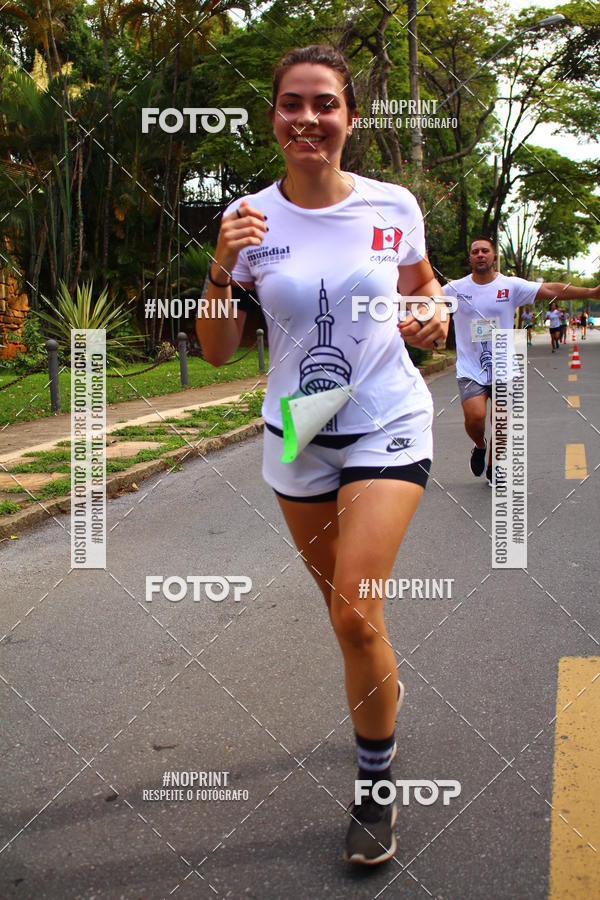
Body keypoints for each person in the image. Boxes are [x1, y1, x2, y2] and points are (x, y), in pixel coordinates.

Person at [196, 44, 448, 865]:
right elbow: (219, 351)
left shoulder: (392, 205)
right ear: (274, 117)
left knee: (354, 609)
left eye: (325, 104)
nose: (308, 118)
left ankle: (376, 788)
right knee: (350, 624)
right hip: (297, 433)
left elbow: (423, 286)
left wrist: (434, 313)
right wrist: (220, 266)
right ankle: (381, 685)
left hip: (386, 417)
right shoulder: (249, 221)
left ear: (349, 116)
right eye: (291, 104)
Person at [442, 239, 600, 485]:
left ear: (494, 256)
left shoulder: (511, 285)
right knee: (475, 417)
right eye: (475, 252)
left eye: (485, 251)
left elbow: (552, 289)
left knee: (502, 421)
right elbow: (424, 301)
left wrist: (590, 292)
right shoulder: (453, 289)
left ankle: (494, 467)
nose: (480, 255)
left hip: (505, 365)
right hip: (471, 367)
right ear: (470, 258)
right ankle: (480, 445)